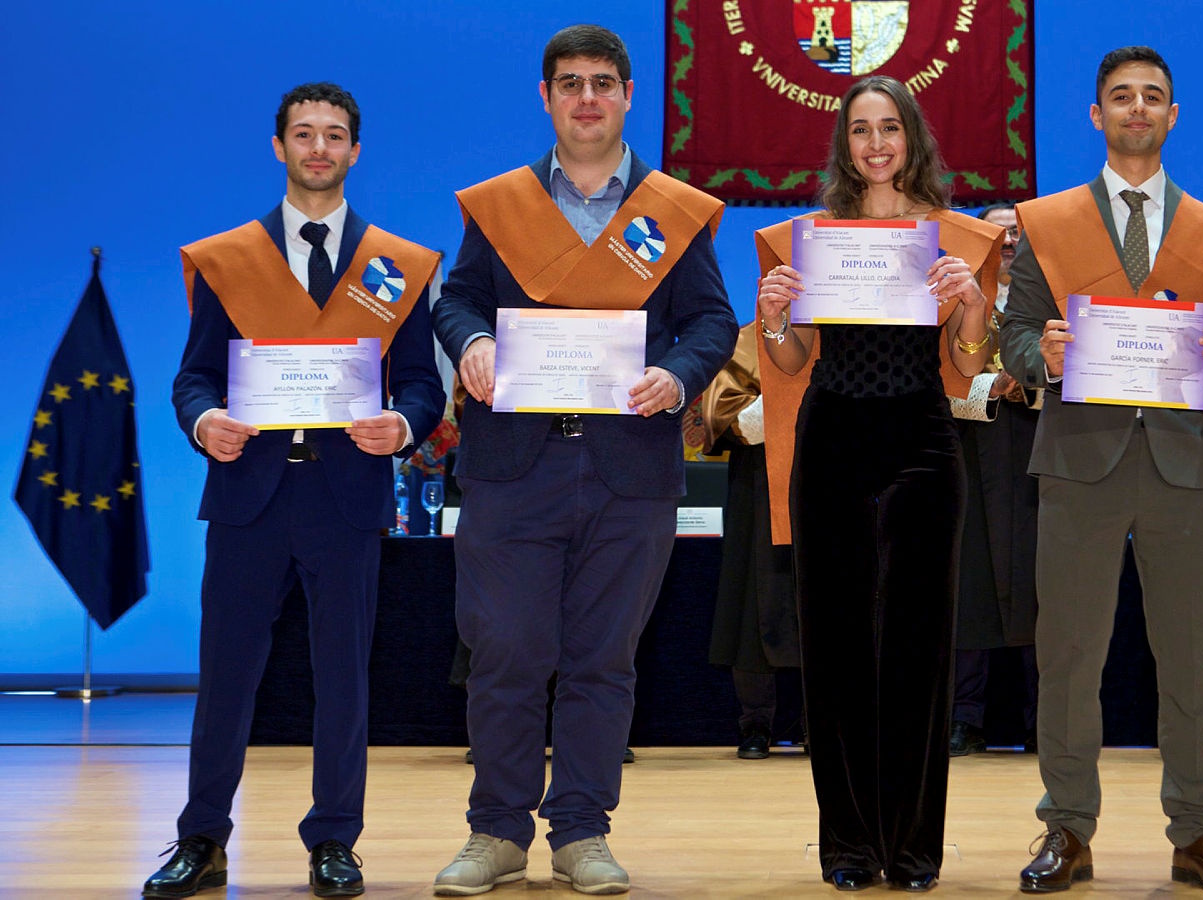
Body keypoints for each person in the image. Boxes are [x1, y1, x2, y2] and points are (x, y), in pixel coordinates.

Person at [429, 24, 736, 897]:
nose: (588, 97)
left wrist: (677, 377)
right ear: (546, 96)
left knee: (603, 659)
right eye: (570, 83)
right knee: (507, 652)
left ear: (631, 94)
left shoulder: (673, 209)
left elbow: (713, 321)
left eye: (604, 81)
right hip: (514, 465)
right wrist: (476, 340)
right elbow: (456, 300)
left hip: (628, 467)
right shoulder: (502, 204)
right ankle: (495, 833)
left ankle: (581, 832)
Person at [154, 82, 445, 899]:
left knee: (344, 677)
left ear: (356, 151)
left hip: (346, 496)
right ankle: (200, 838)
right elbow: (193, 377)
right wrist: (204, 418)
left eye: (335, 135)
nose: (319, 148)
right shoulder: (228, 259)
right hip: (248, 496)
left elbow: (422, 383)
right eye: (304, 134)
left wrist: (406, 424)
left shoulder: (397, 265)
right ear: (278, 147)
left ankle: (334, 842)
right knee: (226, 676)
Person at [998, 46, 1203, 896]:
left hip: (1185, 466)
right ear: (1096, 115)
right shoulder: (1046, 225)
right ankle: (1066, 832)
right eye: (1121, 97)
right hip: (1079, 462)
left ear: (1173, 115)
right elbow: (1013, 338)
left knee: (1191, 660)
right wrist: (1039, 353)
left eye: (1153, 97)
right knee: (1069, 659)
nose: (1137, 108)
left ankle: (1197, 834)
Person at [754, 75, 1004, 891]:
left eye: (889, 127)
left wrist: (970, 306)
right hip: (832, 437)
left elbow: (967, 365)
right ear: (844, 146)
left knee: (919, 646)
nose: (875, 143)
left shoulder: (953, 238)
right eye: (860, 129)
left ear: (912, 138)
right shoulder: (812, 238)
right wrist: (775, 318)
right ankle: (850, 847)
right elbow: (792, 362)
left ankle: (915, 847)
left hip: (924, 441)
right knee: (834, 646)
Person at [947, 202, 1041, 757]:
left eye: (1016, 233)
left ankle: (1042, 721)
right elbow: (939, 379)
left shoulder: (1046, 304)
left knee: (1042, 587)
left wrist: (1025, 383)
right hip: (969, 455)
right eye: (998, 233)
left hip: (1035, 454)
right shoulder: (954, 301)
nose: (1007, 241)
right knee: (969, 583)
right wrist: (991, 388)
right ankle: (965, 716)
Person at [698, 322, 801, 760]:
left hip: (837, 476)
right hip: (760, 482)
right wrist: (792, 395)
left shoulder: (851, 334)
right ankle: (755, 723)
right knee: (753, 603)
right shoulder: (745, 339)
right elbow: (728, 419)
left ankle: (827, 724)